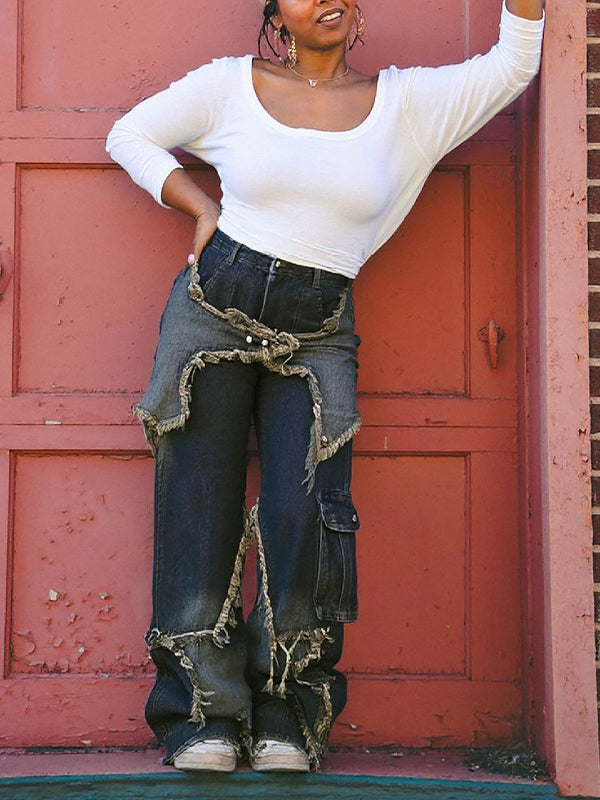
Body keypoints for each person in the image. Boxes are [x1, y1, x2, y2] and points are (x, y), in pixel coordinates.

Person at [106, 0, 545, 775]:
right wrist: (198, 203)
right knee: (197, 507)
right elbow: (129, 135)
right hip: (210, 313)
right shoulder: (228, 85)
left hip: (320, 330)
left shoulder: (407, 104)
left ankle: (287, 712)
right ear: (278, 15)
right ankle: (202, 719)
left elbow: (514, 64)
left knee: (305, 515)